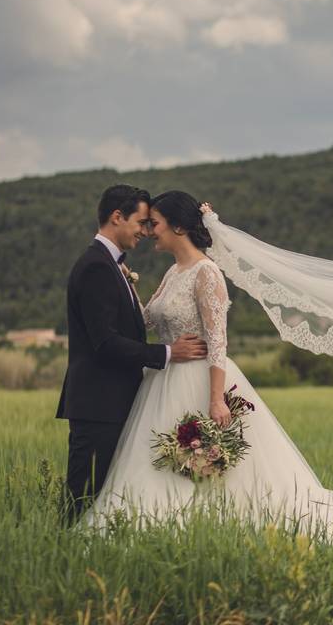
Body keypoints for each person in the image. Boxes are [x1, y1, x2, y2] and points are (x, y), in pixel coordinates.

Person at [81, 190, 333, 544]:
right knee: (164, 467)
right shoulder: (173, 272)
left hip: (198, 380)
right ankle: (164, 527)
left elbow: (219, 340)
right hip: (164, 380)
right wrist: (123, 290)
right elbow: (150, 322)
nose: (149, 231)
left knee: (225, 477)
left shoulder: (207, 273)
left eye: (155, 223)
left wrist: (216, 400)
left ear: (179, 228)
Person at [56, 184, 209, 525]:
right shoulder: (97, 266)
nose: (145, 230)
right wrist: (169, 352)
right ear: (117, 217)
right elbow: (106, 343)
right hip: (99, 402)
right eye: (141, 222)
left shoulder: (113, 266)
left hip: (113, 400)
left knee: (103, 493)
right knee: (84, 495)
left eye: (151, 223)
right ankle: (64, 548)